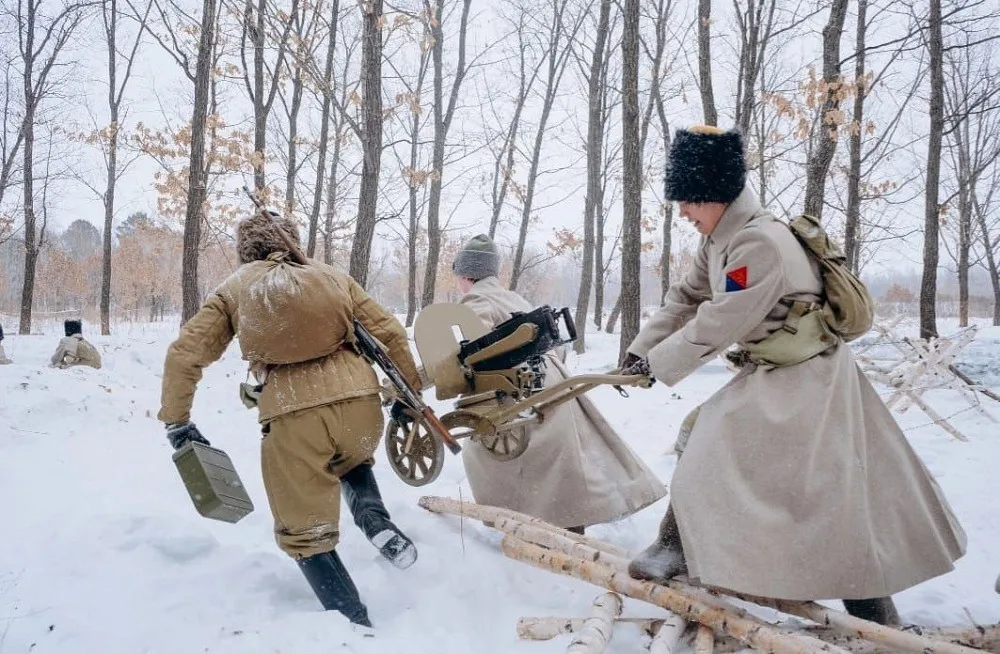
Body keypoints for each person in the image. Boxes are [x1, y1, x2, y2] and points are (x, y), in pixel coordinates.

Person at [620, 125, 966, 626]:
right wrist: (639, 351)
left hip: (810, 379)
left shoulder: (759, 243)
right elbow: (685, 298)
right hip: (777, 373)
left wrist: (658, 364)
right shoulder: (719, 240)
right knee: (729, 448)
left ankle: (871, 613)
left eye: (688, 202)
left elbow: (719, 321)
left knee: (825, 490)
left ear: (714, 194)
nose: (682, 214)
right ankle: (680, 548)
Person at [157, 211, 423, 628]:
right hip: (361, 407)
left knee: (305, 529)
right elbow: (389, 331)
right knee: (350, 459)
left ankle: (353, 624)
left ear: (246, 250)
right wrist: (408, 395)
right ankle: (375, 521)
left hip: (294, 414)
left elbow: (184, 354)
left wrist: (177, 420)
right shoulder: (330, 276)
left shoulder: (237, 288)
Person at [449, 234, 667, 534]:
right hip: (552, 377)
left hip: (521, 384)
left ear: (466, 274)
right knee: (562, 454)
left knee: (486, 451)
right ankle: (576, 511)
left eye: (458, 276)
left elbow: (480, 350)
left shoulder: (475, 299)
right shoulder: (514, 297)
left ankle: (525, 520)